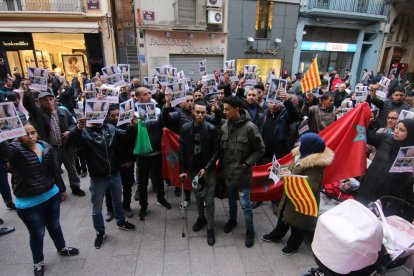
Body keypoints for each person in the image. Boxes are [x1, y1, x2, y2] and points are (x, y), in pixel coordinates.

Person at [0, 122, 79, 276]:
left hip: (51, 196)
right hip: (29, 205)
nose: (30, 137)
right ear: (18, 136)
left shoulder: (46, 147)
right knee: (38, 233)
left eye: (33, 132)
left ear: (38, 133)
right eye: (26, 134)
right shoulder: (15, 151)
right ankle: (38, 261)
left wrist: (61, 189)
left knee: (55, 226)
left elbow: (54, 170)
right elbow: (5, 152)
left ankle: (62, 248)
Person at [72, 112, 137, 249]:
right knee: (97, 207)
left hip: (114, 173)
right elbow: (73, 144)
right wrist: (78, 128)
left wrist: (131, 127)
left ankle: (121, 222)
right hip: (98, 177)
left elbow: (126, 137)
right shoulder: (84, 132)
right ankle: (100, 232)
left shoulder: (110, 128)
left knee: (117, 200)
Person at [262, 133, 334, 256]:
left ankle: (293, 245)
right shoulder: (300, 156)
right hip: (291, 194)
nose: (298, 144)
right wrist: (278, 169)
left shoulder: (314, 165)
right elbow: (291, 169)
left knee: (298, 225)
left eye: (301, 142)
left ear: (308, 147)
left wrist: (289, 178)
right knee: (284, 217)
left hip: (302, 200)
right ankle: (277, 235)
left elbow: (310, 186)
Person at [220, 96, 265, 247]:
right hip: (229, 173)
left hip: (243, 174)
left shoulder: (250, 127)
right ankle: (232, 220)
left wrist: (247, 163)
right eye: (223, 109)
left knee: (246, 204)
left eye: (227, 109)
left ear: (236, 110)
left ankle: (250, 230)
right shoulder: (224, 126)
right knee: (231, 200)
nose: (224, 112)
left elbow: (260, 149)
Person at [23, 91, 86, 196]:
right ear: (39, 102)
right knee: (55, 171)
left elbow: (73, 123)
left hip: (66, 146)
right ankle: (60, 190)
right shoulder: (39, 114)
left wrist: (69, 131)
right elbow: (30, 106)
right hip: (51, 149)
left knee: (72, 169)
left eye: (50, 99)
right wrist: (27, 93)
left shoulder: (63, 111)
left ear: (54, 100)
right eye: (45, 100)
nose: (49, 102)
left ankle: (75, 187)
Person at [179, 99, 219, 246]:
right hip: (193, 169)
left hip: (208, 170)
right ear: (193, 112)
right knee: (197, 196)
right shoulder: (185, 128)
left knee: (209, 200)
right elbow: (181, 150)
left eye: (203, 112)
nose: (200, 115)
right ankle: (201, 218)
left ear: (206, 113)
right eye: (198, 112)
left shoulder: (211, 128)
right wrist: (182, 170)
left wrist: (207, 167)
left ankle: (210, 228)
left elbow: (217, 151)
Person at [356, 119, 414, 205]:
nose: (396, 131)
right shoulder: (386, 138)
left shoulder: (410, 152)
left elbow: (405, 180)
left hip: (386, 197)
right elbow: (365, 136)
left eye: (401, 130)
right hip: (367, 186)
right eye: (397, 127)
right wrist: (365, 121)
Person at [134, 87, 171, 221]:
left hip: (157, 152)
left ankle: (161, 198)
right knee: (143, 183)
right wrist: (135, 123)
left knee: (159, 178)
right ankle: (143, 206)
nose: (149, 96)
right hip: (143, 154)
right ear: (138, 98)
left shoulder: (157, 109)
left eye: (149, 93)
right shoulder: (134, 113)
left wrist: (164, 128)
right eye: (145, 94)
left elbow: (162, 124)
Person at [103, 104, 136, 221]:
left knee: (127, 186)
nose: (116, 117)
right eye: (113, 115)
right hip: (112, 164)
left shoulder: (128, 124)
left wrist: (131, 160)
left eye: (118, 114)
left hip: (127, 161)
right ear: (108, 116)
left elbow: (133, 142)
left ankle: (126, 206)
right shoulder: (105, 127)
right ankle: (110, 209)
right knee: (109, 189)